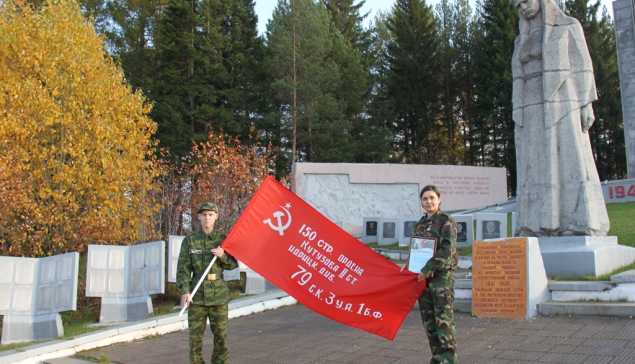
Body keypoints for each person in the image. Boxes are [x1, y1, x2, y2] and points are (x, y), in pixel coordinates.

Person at [511, 0, 609, 237]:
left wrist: (586, 104)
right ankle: (534, 226)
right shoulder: (520, 40)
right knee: (533, 165)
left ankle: (576, 223)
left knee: (570, 159)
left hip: (563, 99)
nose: (523, 7)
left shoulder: (568, 26)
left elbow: (583, 65)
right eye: (518, 5)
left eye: (526, 1)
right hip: (530, 105)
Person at [177, 201, 239, 364]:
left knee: (220, 338)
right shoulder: (190, 241)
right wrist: (185, 290)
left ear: (216, 217)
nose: (207, 218)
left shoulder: (223, 240)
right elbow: (183, 269)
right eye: (204, 215)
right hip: (196, 296)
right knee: (195, 340)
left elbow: (233, 264)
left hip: (218, 296)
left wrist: (222, 255)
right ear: (198, 216)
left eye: (210, 215)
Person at [406, 185, 458, 363]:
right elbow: (415, 251)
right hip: (422, 282)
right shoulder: (420, 224)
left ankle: (448, 361)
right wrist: (407, 267)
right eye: (425, 199)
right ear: (421, 202)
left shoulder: (446, 221)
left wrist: (427, 269)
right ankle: (437, 359)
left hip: (440, 281)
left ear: (439, 199)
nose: (429, 202)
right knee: (430, 324)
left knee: (443, 323)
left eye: (432, 198)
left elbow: (447, 250)